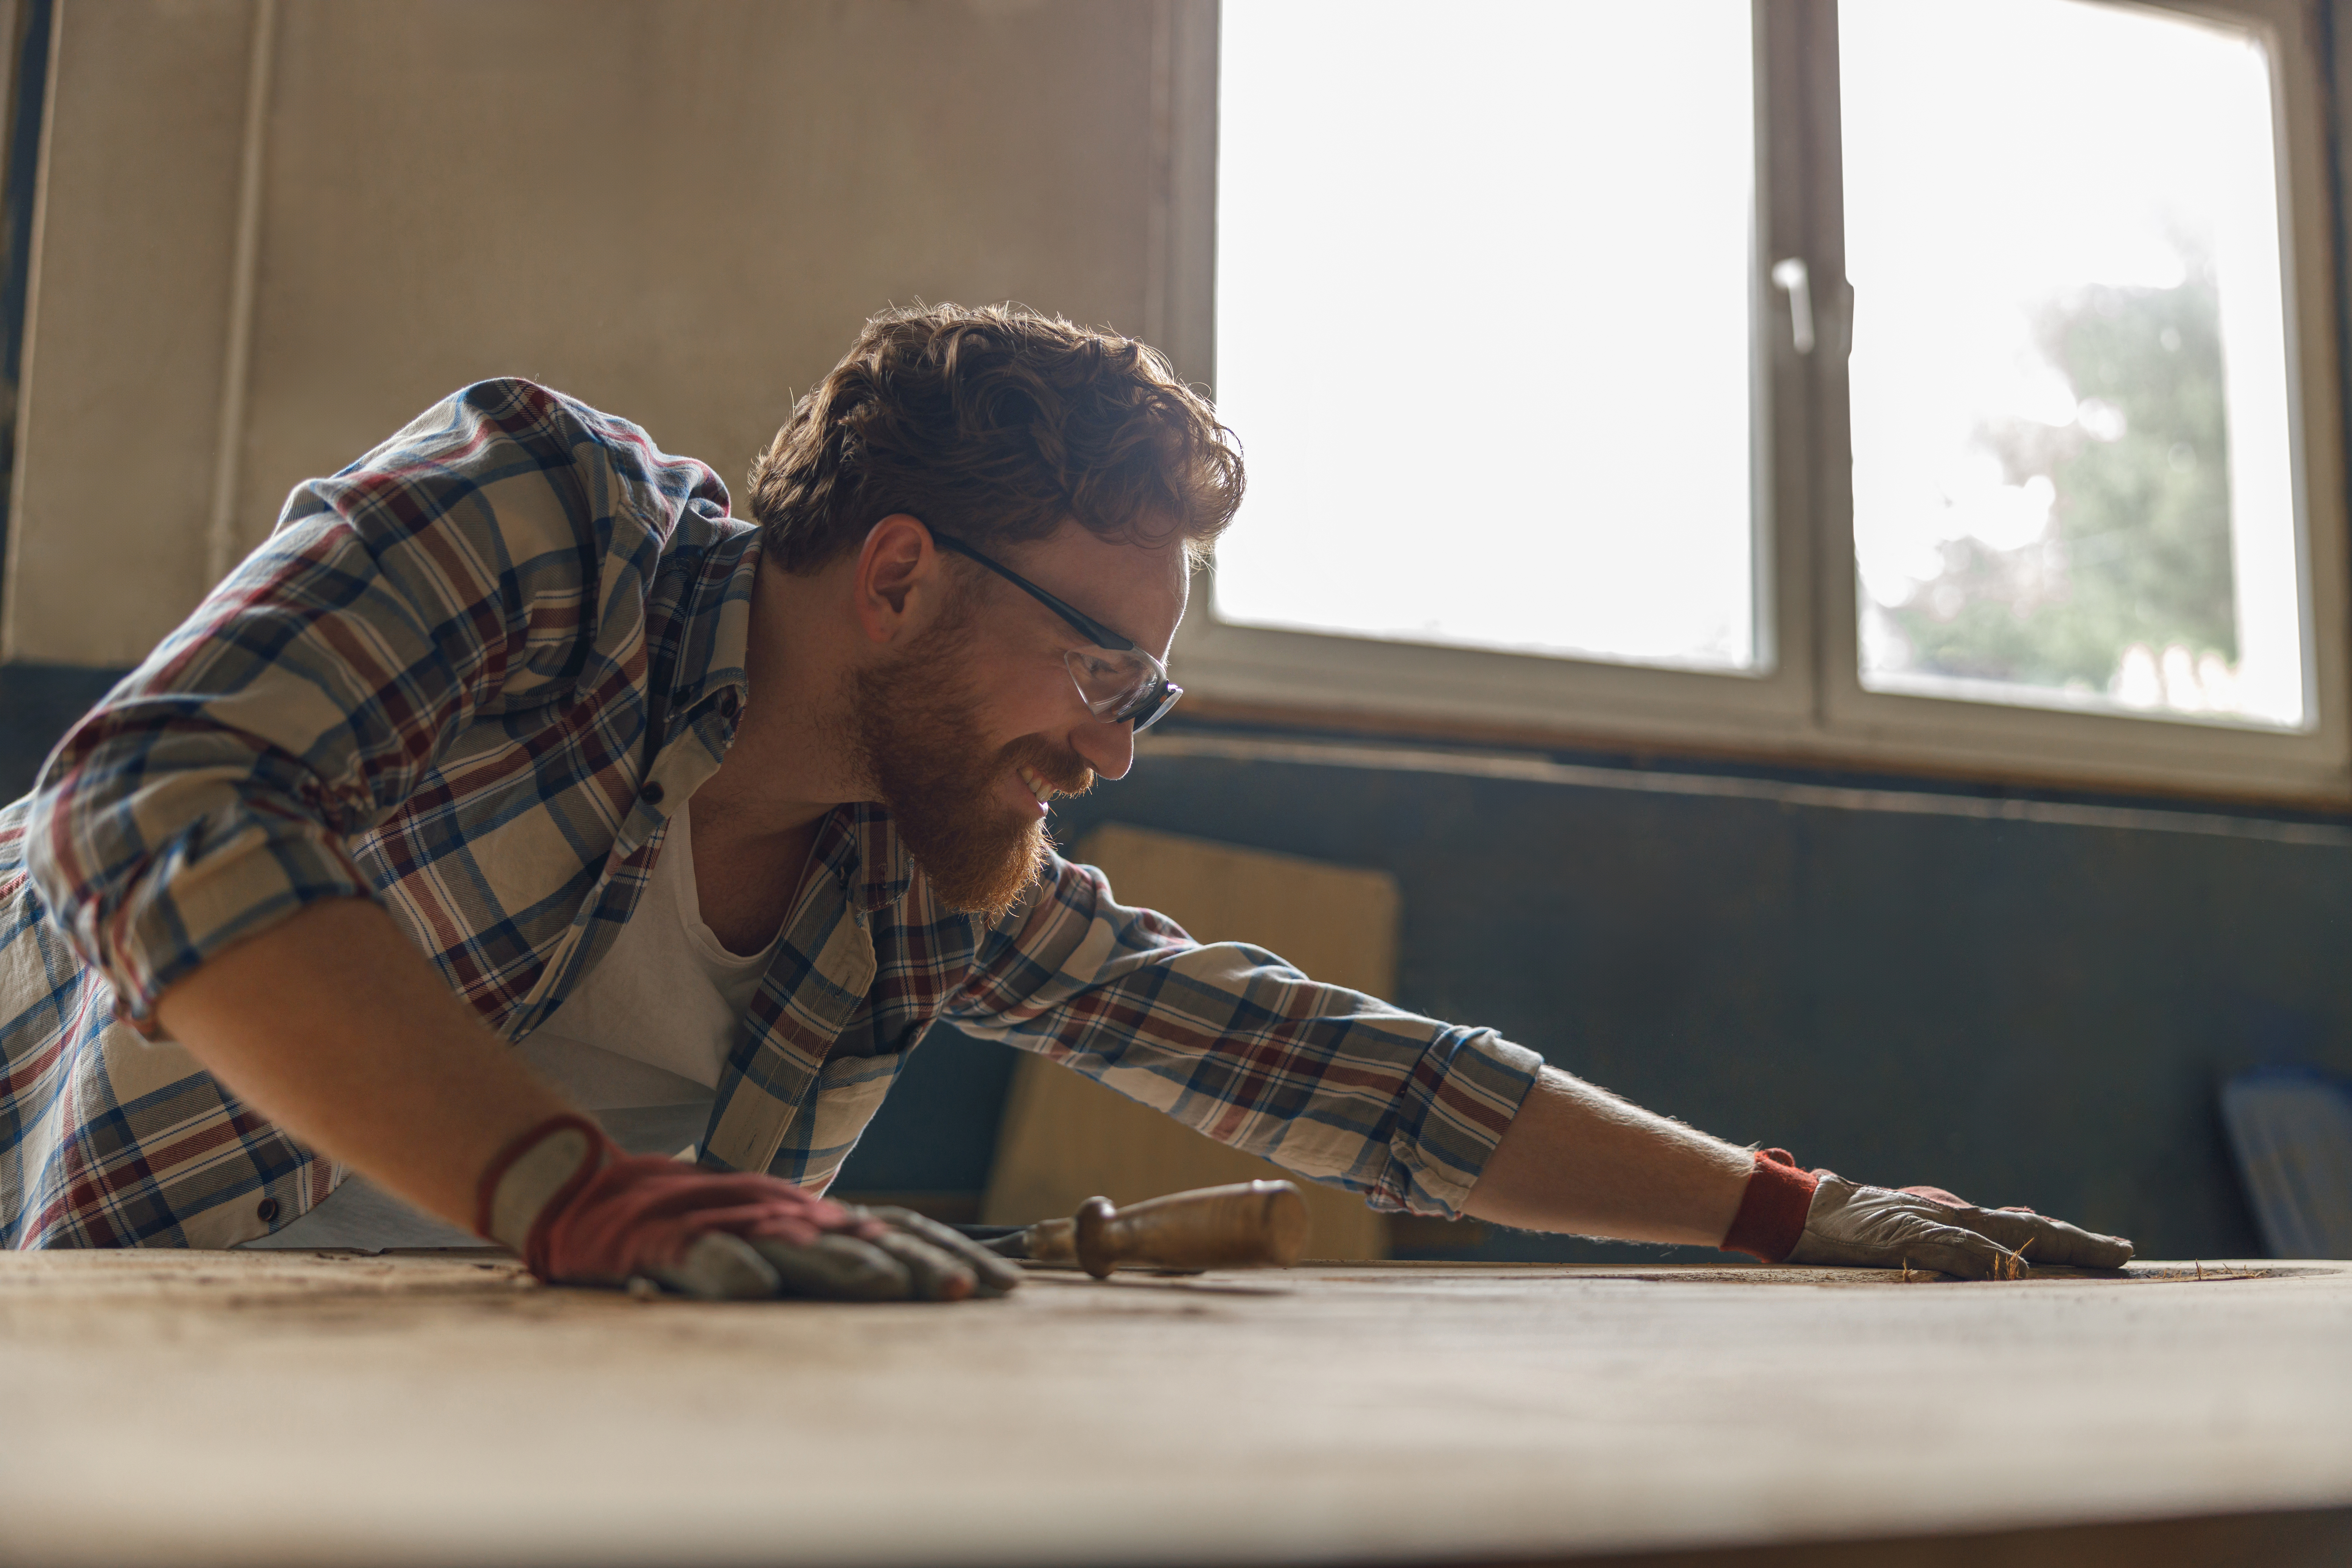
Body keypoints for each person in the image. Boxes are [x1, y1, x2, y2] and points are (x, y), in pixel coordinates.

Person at [0, 304, 2131, 1298]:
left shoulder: (925, 868)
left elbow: (1331, 1067)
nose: (1118, 742)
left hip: (515, 1421)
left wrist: (1792, 1210)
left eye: (1153, 688)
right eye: (1102, 665)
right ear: (902, 574)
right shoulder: (540, 523)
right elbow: (152, 800)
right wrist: (571, 1182)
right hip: (129, 1340)